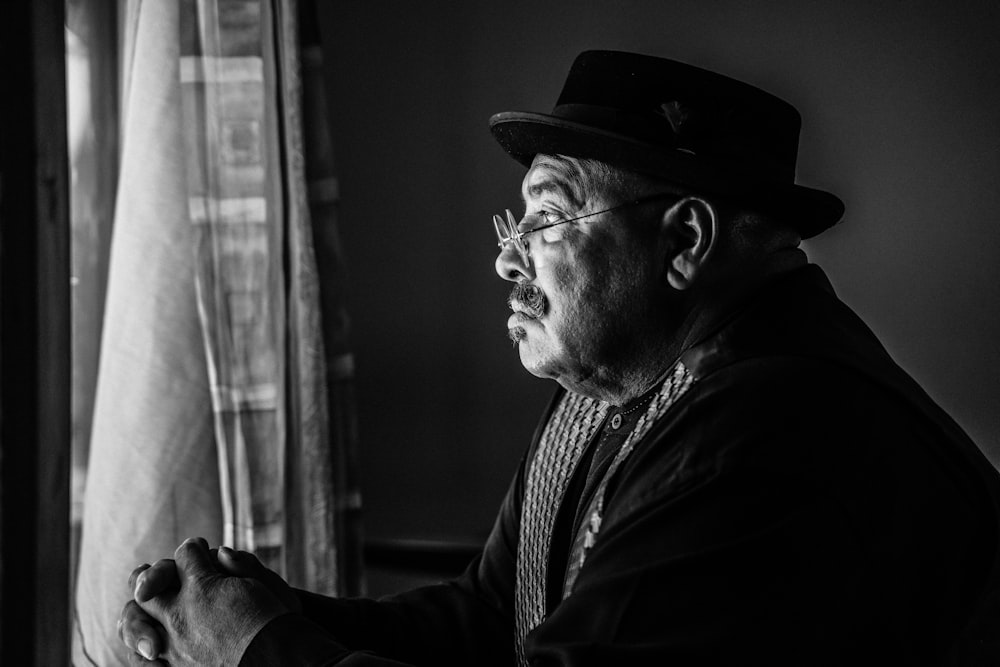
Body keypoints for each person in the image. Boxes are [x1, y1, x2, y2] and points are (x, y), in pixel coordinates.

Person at [117, 50, 1000, 666]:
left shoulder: (765, 431)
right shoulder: (623, 383)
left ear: (683, 239)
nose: (508, 258)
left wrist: (254, 648)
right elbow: (491, 622)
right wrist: (273, 610)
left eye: (547, 217)